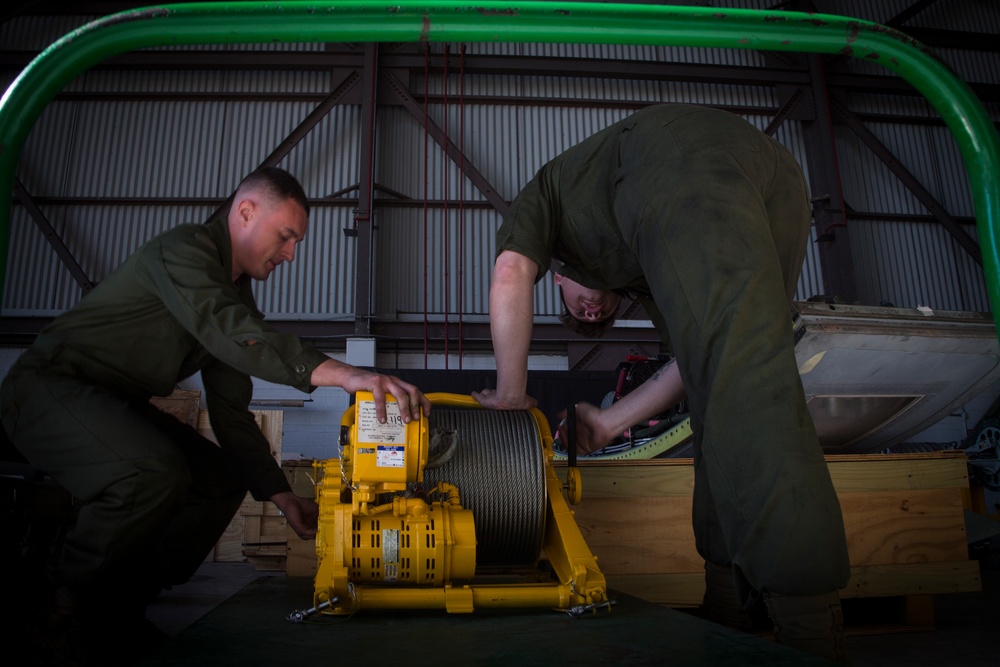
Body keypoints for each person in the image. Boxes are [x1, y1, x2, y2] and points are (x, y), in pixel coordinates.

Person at [1, 166, 430, 665]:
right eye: (286, 236)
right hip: (48, 388)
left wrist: (279, 493)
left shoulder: (234, 298)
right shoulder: (183, 253)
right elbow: (226, 329)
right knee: (149, 471)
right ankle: (60, 617)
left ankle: (116, 608)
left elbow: (229, 411)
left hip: (112, 403)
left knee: (219, 479)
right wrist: (343, 374)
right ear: (245, 212)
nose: (291, 253)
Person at [472, 104, 851, 663]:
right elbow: (692, 367)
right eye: (594, 314)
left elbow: (508, 272)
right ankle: (727, 605)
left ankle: (811, 630)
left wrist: (509, 395)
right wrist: (607, 421)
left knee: (751, 384)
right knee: (719, 385)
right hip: (777, 179)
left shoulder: (547, 197)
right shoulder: (649, 265)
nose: (595, 304)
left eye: (585, 301)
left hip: (682, 159)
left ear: (557, 275)